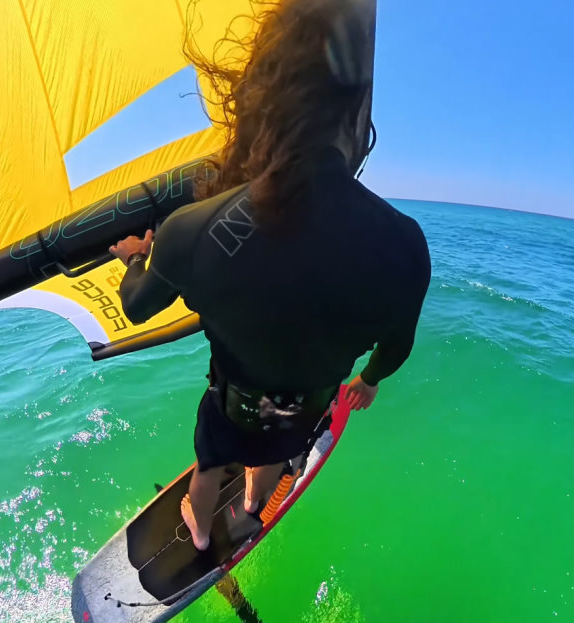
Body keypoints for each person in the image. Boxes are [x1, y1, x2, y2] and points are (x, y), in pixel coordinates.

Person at [108, 0, 430, 551]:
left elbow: (136, 306)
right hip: (306, 408)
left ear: (259, 103)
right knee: (276, 454)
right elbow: (396, 347)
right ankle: (255, 504)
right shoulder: (405, 244)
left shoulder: (192, 230)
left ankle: (201, 527)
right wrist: (369, 380)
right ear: (355, 115)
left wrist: (139, 256)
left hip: (233, 405)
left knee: (209, 465)